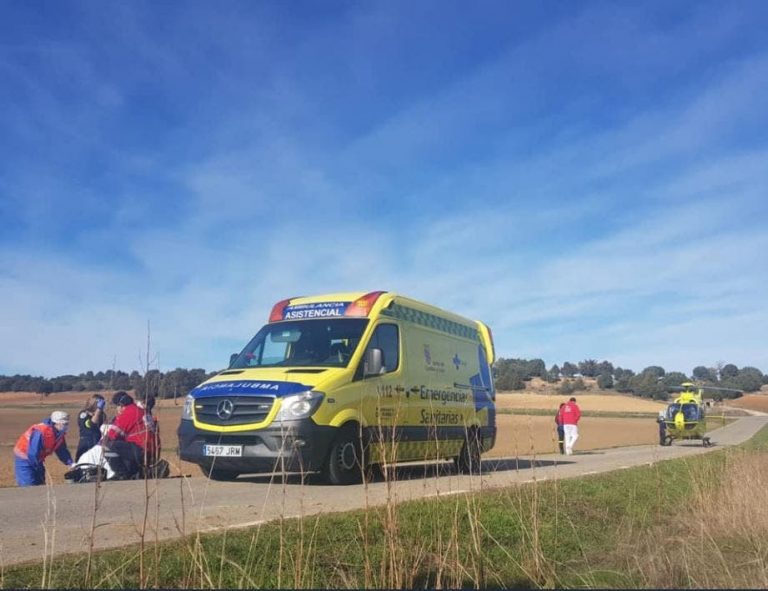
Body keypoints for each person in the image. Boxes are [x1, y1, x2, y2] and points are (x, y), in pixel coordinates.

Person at [105, 391, 159, 480]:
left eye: (117, 406)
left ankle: (122, 474)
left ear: (121, 405)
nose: (117, 409)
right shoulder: (141, 411)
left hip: (141, 450)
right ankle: (136, 472)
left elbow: (111, 435)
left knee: (108, 446)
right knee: (124, 446)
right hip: (152, 450)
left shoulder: (129, 412)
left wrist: (100, 444)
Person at [13, 411, 74, 486]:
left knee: (40, 485)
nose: (66, 426)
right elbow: (33, 453)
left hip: (37, 460)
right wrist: (38, 467)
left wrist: (70, 463)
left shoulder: (59, 434)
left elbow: (62, 450)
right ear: (56, 423)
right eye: (64, 424)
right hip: (25, 459)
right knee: (28, 485)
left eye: (67, 424)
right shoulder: (41, 432)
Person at [75, 394, 106, 461]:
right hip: (86, 442)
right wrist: (98, 410)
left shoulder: (102, 415)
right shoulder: (83, 414)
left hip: (97, 441)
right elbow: (91, 425)